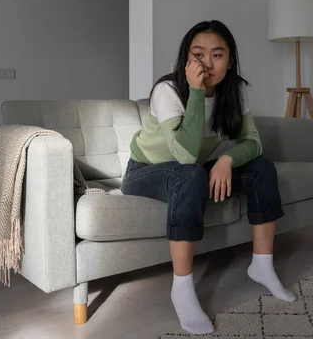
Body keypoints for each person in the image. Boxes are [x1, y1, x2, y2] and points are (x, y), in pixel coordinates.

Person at [121, 20, 296, 335]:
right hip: (145, 171)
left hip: (190, 169)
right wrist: (197, 94)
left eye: (217, 55)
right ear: (186, 59)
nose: (206, 62)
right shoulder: (168, 90)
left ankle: (262, 265)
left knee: (262, 167)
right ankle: (183, 288)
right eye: (198, 54)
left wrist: (227, 159)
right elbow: (186, 155)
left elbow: (253, 143)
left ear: (229, 62)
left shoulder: (235, 91)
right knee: (189, 174)